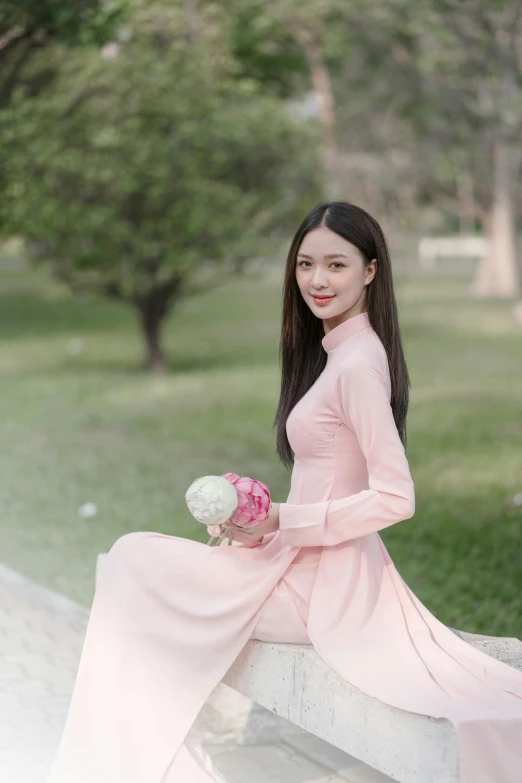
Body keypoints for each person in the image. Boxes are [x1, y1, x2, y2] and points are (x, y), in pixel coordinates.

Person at [47, 201, 522, 783]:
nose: (317, 281)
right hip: (292, 568)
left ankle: (148, 767)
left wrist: (282, 522)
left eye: (336, 265)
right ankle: (158, 764)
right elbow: (322, 484)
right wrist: (254, 520)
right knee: (130, 566)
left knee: (130, 564)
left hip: (324, 593)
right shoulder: (338, 354)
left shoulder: (357, 365)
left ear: (370, 271)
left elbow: (398, 497)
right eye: (305, 264)